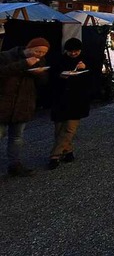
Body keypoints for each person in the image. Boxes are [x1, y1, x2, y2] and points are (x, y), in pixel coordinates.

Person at [0, 37, 50, 176]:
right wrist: (23, 64)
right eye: (37, 51)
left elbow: (43, 82)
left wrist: (39, 74)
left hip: (23, 103)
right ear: (28, 48)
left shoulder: (40, 61)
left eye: (43, 52)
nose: (39, 54)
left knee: (17, 137)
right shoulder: (6, 56)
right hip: (4, 102)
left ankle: (14, 165)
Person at [49, 38, 91, 170]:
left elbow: (93, 78)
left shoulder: (86, 60)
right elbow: (51, 77)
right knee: (59, 128)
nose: (73, 53)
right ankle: (68, 151)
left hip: (77, 99)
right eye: (71, 51)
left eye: (76, 51)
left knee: (70, 128)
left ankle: (54, 156)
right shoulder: (58, 61)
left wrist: (85, 69)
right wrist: (60, 76)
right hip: (60, 98)